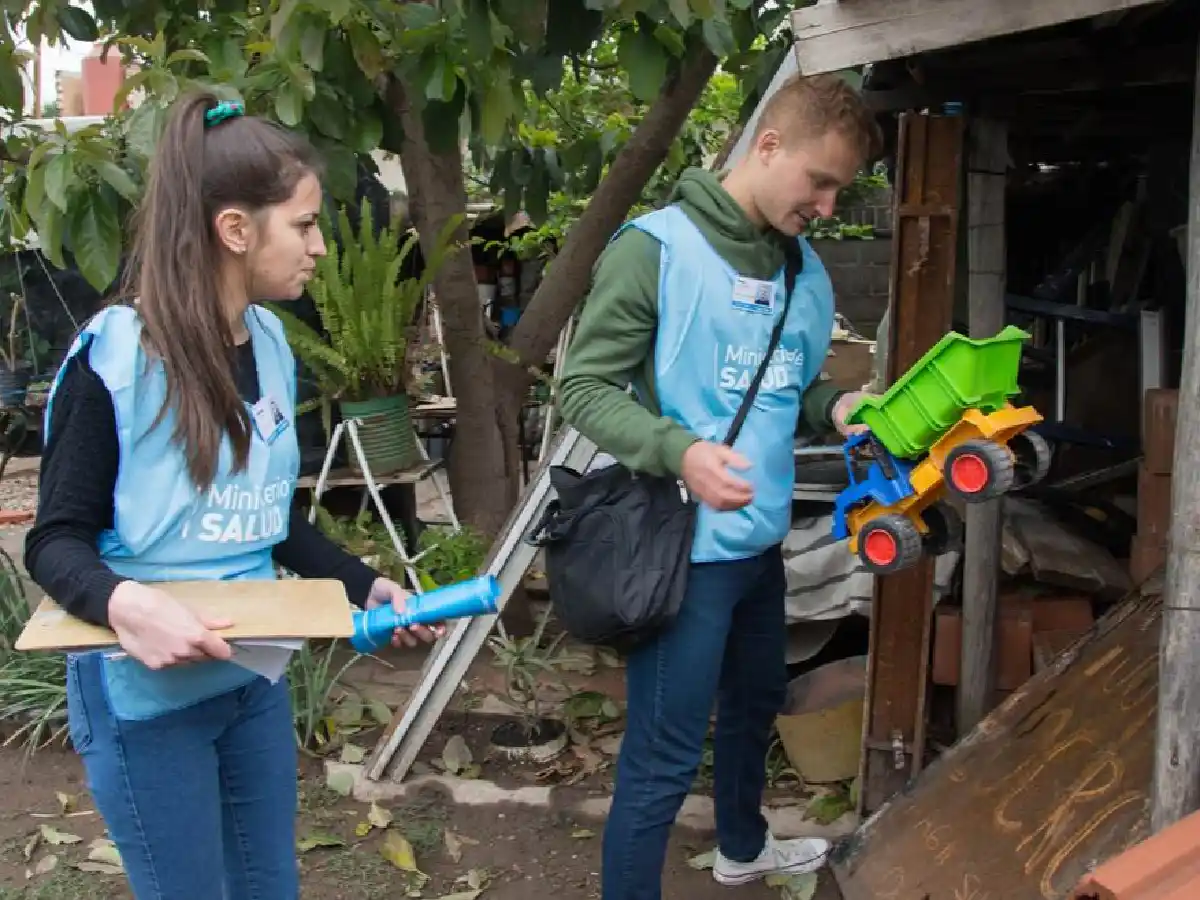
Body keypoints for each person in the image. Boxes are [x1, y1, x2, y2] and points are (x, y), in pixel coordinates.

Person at [23, 91, 443, 900]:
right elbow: (55, 542)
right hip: (142, 698)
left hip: (249, 686)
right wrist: (127, 605)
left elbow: (266, 517)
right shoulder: (113, 360)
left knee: (268, 887)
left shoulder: (276, 344)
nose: (320, 246)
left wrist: (363, 583)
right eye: (306, 224)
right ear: (236, 230)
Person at [558, 73, 882, 899]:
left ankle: (742, 846)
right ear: (767, 146)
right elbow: (584, 388)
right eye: (821, 181)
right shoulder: (655, 249)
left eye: (840, 190)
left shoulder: (806, 275)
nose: (828, 205)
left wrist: (836, 405)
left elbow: (788, 389)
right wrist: (680, 451)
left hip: (759, 545)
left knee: (754, 705)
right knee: (663, 755)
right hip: (681, 554)